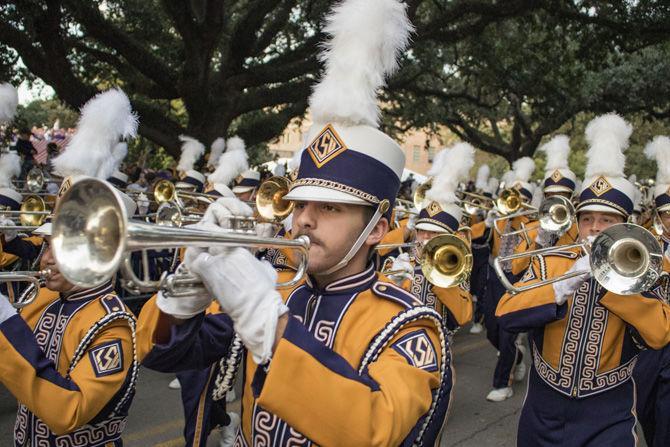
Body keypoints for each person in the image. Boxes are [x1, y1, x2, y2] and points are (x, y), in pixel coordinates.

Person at [137, 1, 452, 445]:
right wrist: (186, 290)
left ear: (378, 228)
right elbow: (159, 355)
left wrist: (267, 320)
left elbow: (376, 428)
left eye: (331, 208)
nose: (303, 219)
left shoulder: (408, 324)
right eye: (301, 202)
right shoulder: (278, 288)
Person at [496, 114, 670, 446]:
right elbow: (506, 315)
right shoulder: (551, 262)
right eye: (587, 218)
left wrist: (615, 280)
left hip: (609, 412)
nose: (594, 228)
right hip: (543, 408)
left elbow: (660, 334)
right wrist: (561, 285)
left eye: (606, 220)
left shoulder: (641, 270)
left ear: (625, 225)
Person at [0, 218, 138, 446]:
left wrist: (5, 321)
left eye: (63, 248)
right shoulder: (42, 297)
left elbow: (70, 411)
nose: (46, 259)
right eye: (46, 245)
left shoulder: (113, 324)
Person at [633, 135, 670, 447]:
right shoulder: (647, 245)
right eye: (667, 214)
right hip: (649, 342)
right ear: (659, 217)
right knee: (645, 408)